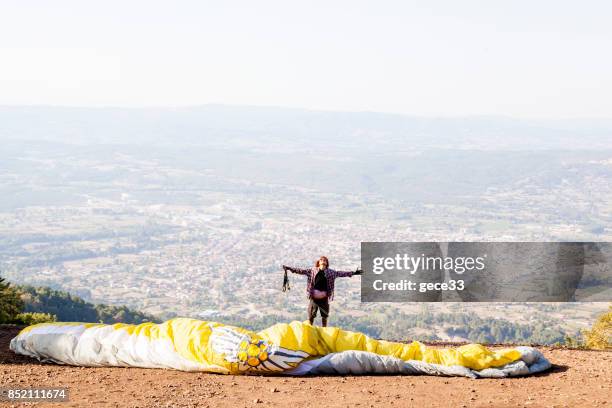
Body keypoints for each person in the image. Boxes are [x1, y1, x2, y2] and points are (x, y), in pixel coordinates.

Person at [283, 256, 362, 327]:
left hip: (324, 298)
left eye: (325, 260)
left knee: (324, 316)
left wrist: (354, 273)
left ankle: (324, 330)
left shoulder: (331, 272)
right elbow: (300, 271)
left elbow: (341, 273)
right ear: (319, 262)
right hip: (314, 298)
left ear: (326, 263)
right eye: (321, 260)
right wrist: (289, 268)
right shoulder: (313, 271)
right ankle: (310, 328)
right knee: (311, 315)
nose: (323, 261)